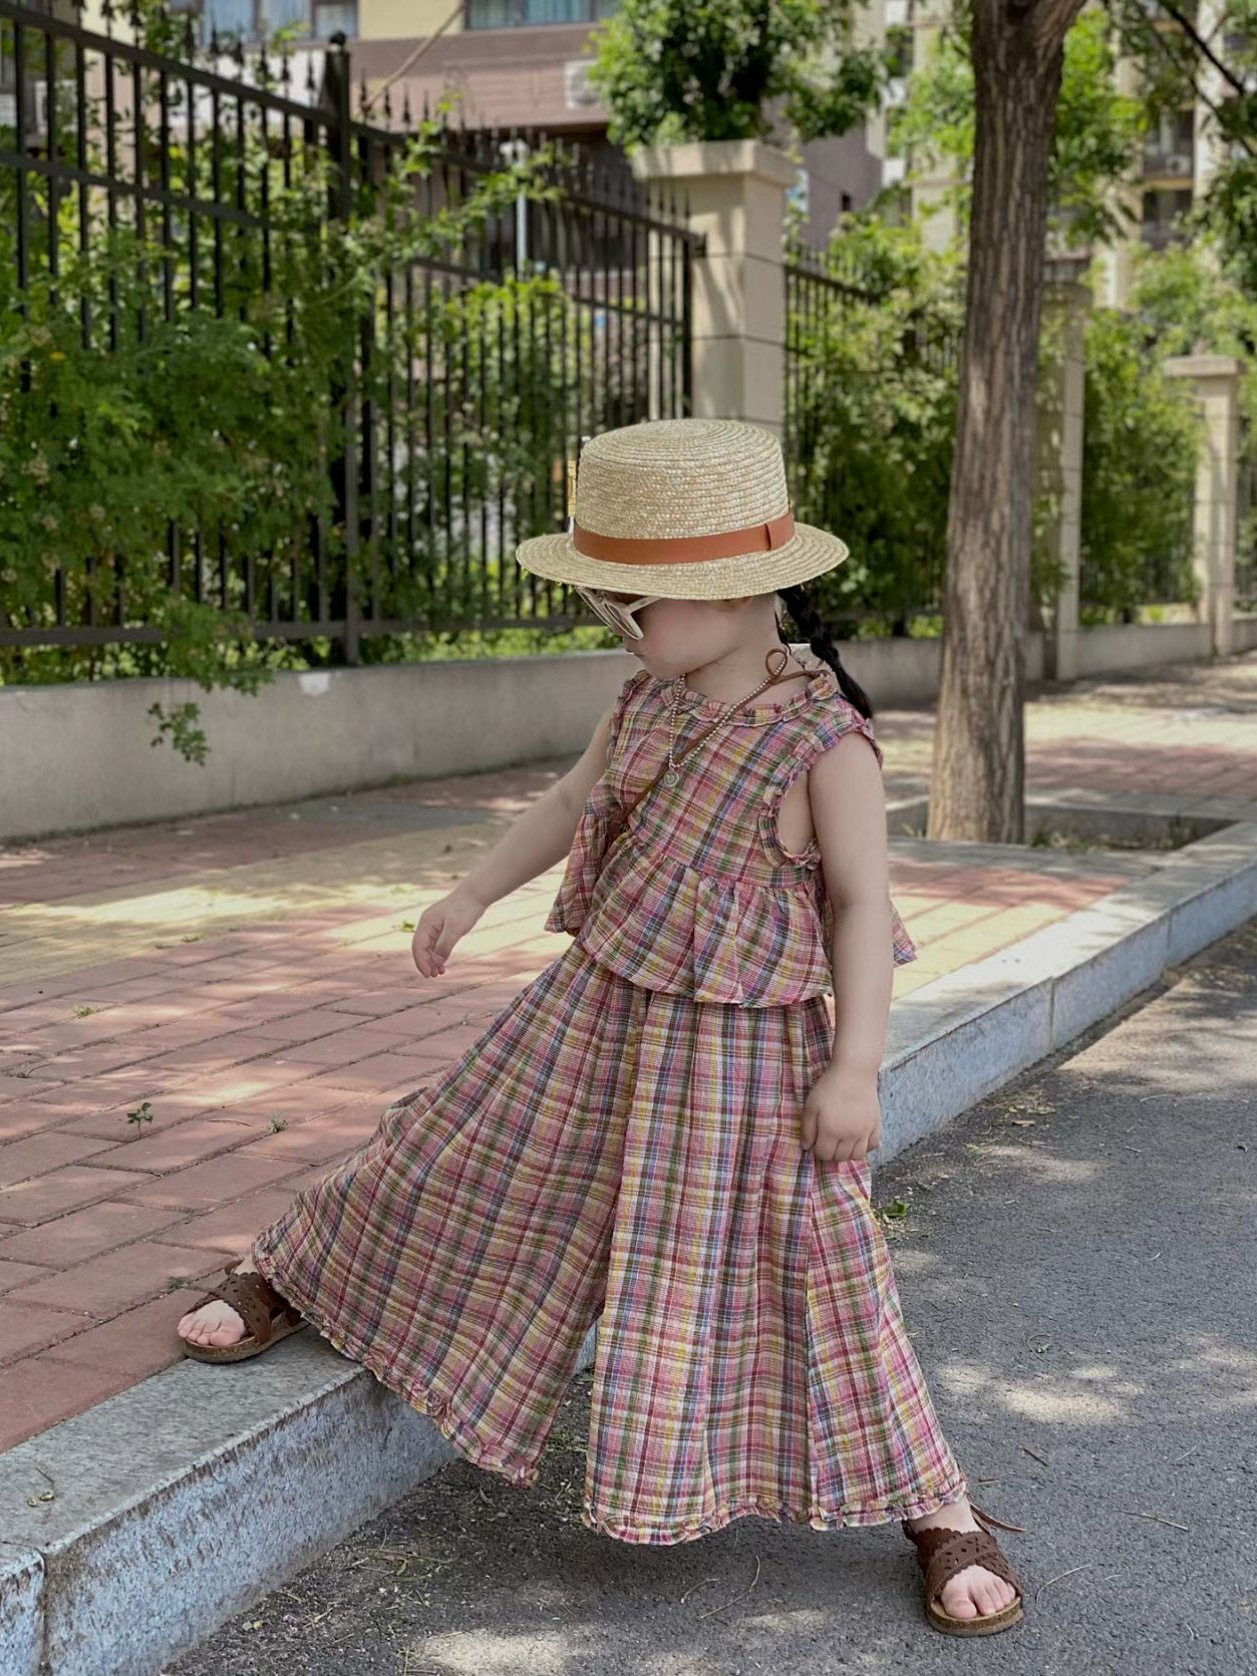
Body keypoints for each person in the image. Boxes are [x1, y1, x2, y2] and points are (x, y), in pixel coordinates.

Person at [175, 417, 1024, 1637]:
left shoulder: (822, 742)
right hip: (597, 1006)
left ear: (734, 591)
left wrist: (856, 1065)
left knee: (826, 1268)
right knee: (456, 1149)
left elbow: (859, 905)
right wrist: (472, 891)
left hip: (748, 1055)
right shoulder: (644, 704)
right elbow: (576, 802)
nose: (617, 627)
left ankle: (937, 1501)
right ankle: (293, 1268)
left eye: (634, 605)